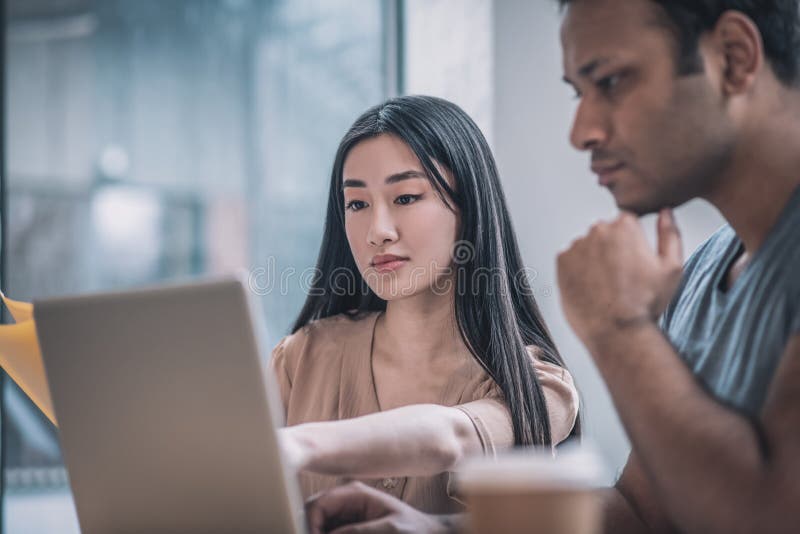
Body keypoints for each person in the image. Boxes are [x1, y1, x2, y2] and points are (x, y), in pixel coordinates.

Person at [305, 1, 800, 533]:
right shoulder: (705, 271)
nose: (581, 130)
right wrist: (434, 531)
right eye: (577, 93)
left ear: (733, 57)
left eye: (610, 81)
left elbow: (769, 515)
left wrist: (619, 329)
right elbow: (643, 511)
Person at [271, 95, 580, 516]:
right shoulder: (301, 357)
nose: (377, 232)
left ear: (469, 209)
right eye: (357, 204)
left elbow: (450, 437)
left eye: (406, 197)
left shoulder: (538, 388)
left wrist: (297, 445)